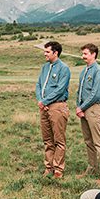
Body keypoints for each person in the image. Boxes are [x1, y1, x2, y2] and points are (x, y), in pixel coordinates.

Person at [36, 41, 71, 178]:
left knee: (59, 140)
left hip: (57, 106)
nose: (45, 54)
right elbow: (39, 85)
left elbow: (60, 89)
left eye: (47, 52)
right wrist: (41, 101)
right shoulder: (45, 67)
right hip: (43, 107)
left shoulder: (64, 68)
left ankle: (58, 169)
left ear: (55, 53)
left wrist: (45, 101)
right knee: (47, 139)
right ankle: (48, 166)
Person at [76, 44, 100, 178]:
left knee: (98, 141)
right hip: (84, 109)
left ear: (93, 54)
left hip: (94, 108)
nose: (83, 56)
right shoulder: (85, 70)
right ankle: (91, 168)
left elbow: (95, 94)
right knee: (88, 140)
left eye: (85, 54)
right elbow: (80, 91)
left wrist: (81, 107)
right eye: (83, 54)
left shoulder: (98, 71)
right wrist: (79, 106)